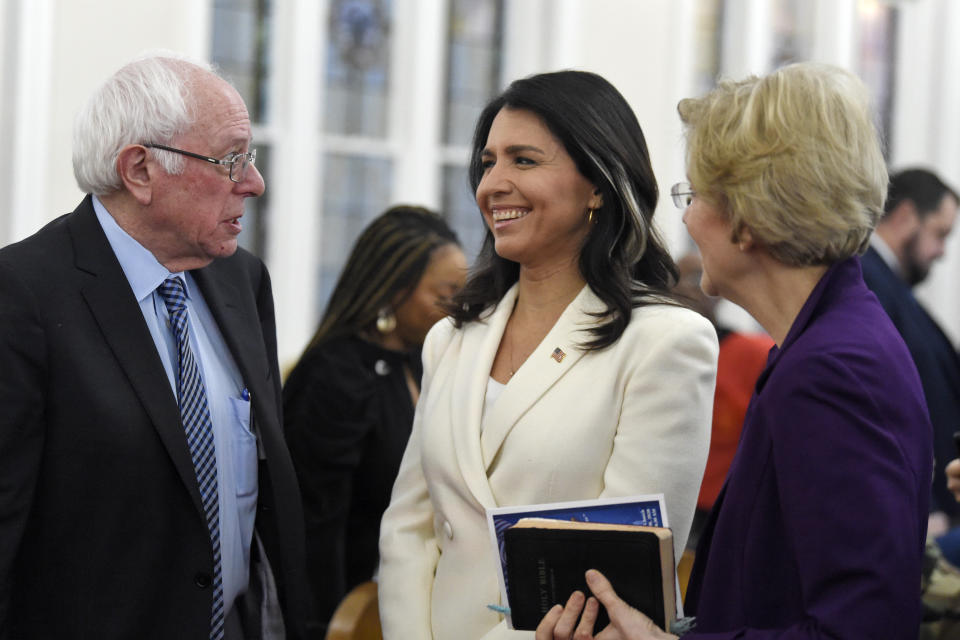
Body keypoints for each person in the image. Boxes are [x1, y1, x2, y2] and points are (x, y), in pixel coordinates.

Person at [536, 62, 933, 640]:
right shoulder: (828, 342)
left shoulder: (832, 367)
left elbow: (861, 628)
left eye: (694, 194)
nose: (688, 217)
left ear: (747, 220)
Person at [377, 70, 719, 640]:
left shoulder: (666, 341)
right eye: (488, 163)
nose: (493, 185)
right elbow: (408, 530)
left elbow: (621, 570)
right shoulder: (451, 339)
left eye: (524, 161)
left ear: (599, 185)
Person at [0, 54, 308, 639]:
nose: (254, 182)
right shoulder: (21, 296)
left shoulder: (243, 281)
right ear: (140, 170)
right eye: (231, 158)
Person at [282, 205, 466, 636]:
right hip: (344, 613)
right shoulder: (334, 374)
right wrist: (324, 626)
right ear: (392, 289)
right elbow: (314, 524)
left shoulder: (421, 362)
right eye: (444, 294)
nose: (457, 308)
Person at [860, 168, 960, 538]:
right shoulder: (867, 280)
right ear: (905, 216)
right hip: (917, 515)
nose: (942, 251)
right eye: (940, 234)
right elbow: (884, 397)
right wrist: (928, 506)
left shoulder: (889, 285)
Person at [673, 254, 773, 549]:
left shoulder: (756, 355)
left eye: (696, 279)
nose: (687, 289)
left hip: (729, 516)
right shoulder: (648, 351)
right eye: (675, 278)